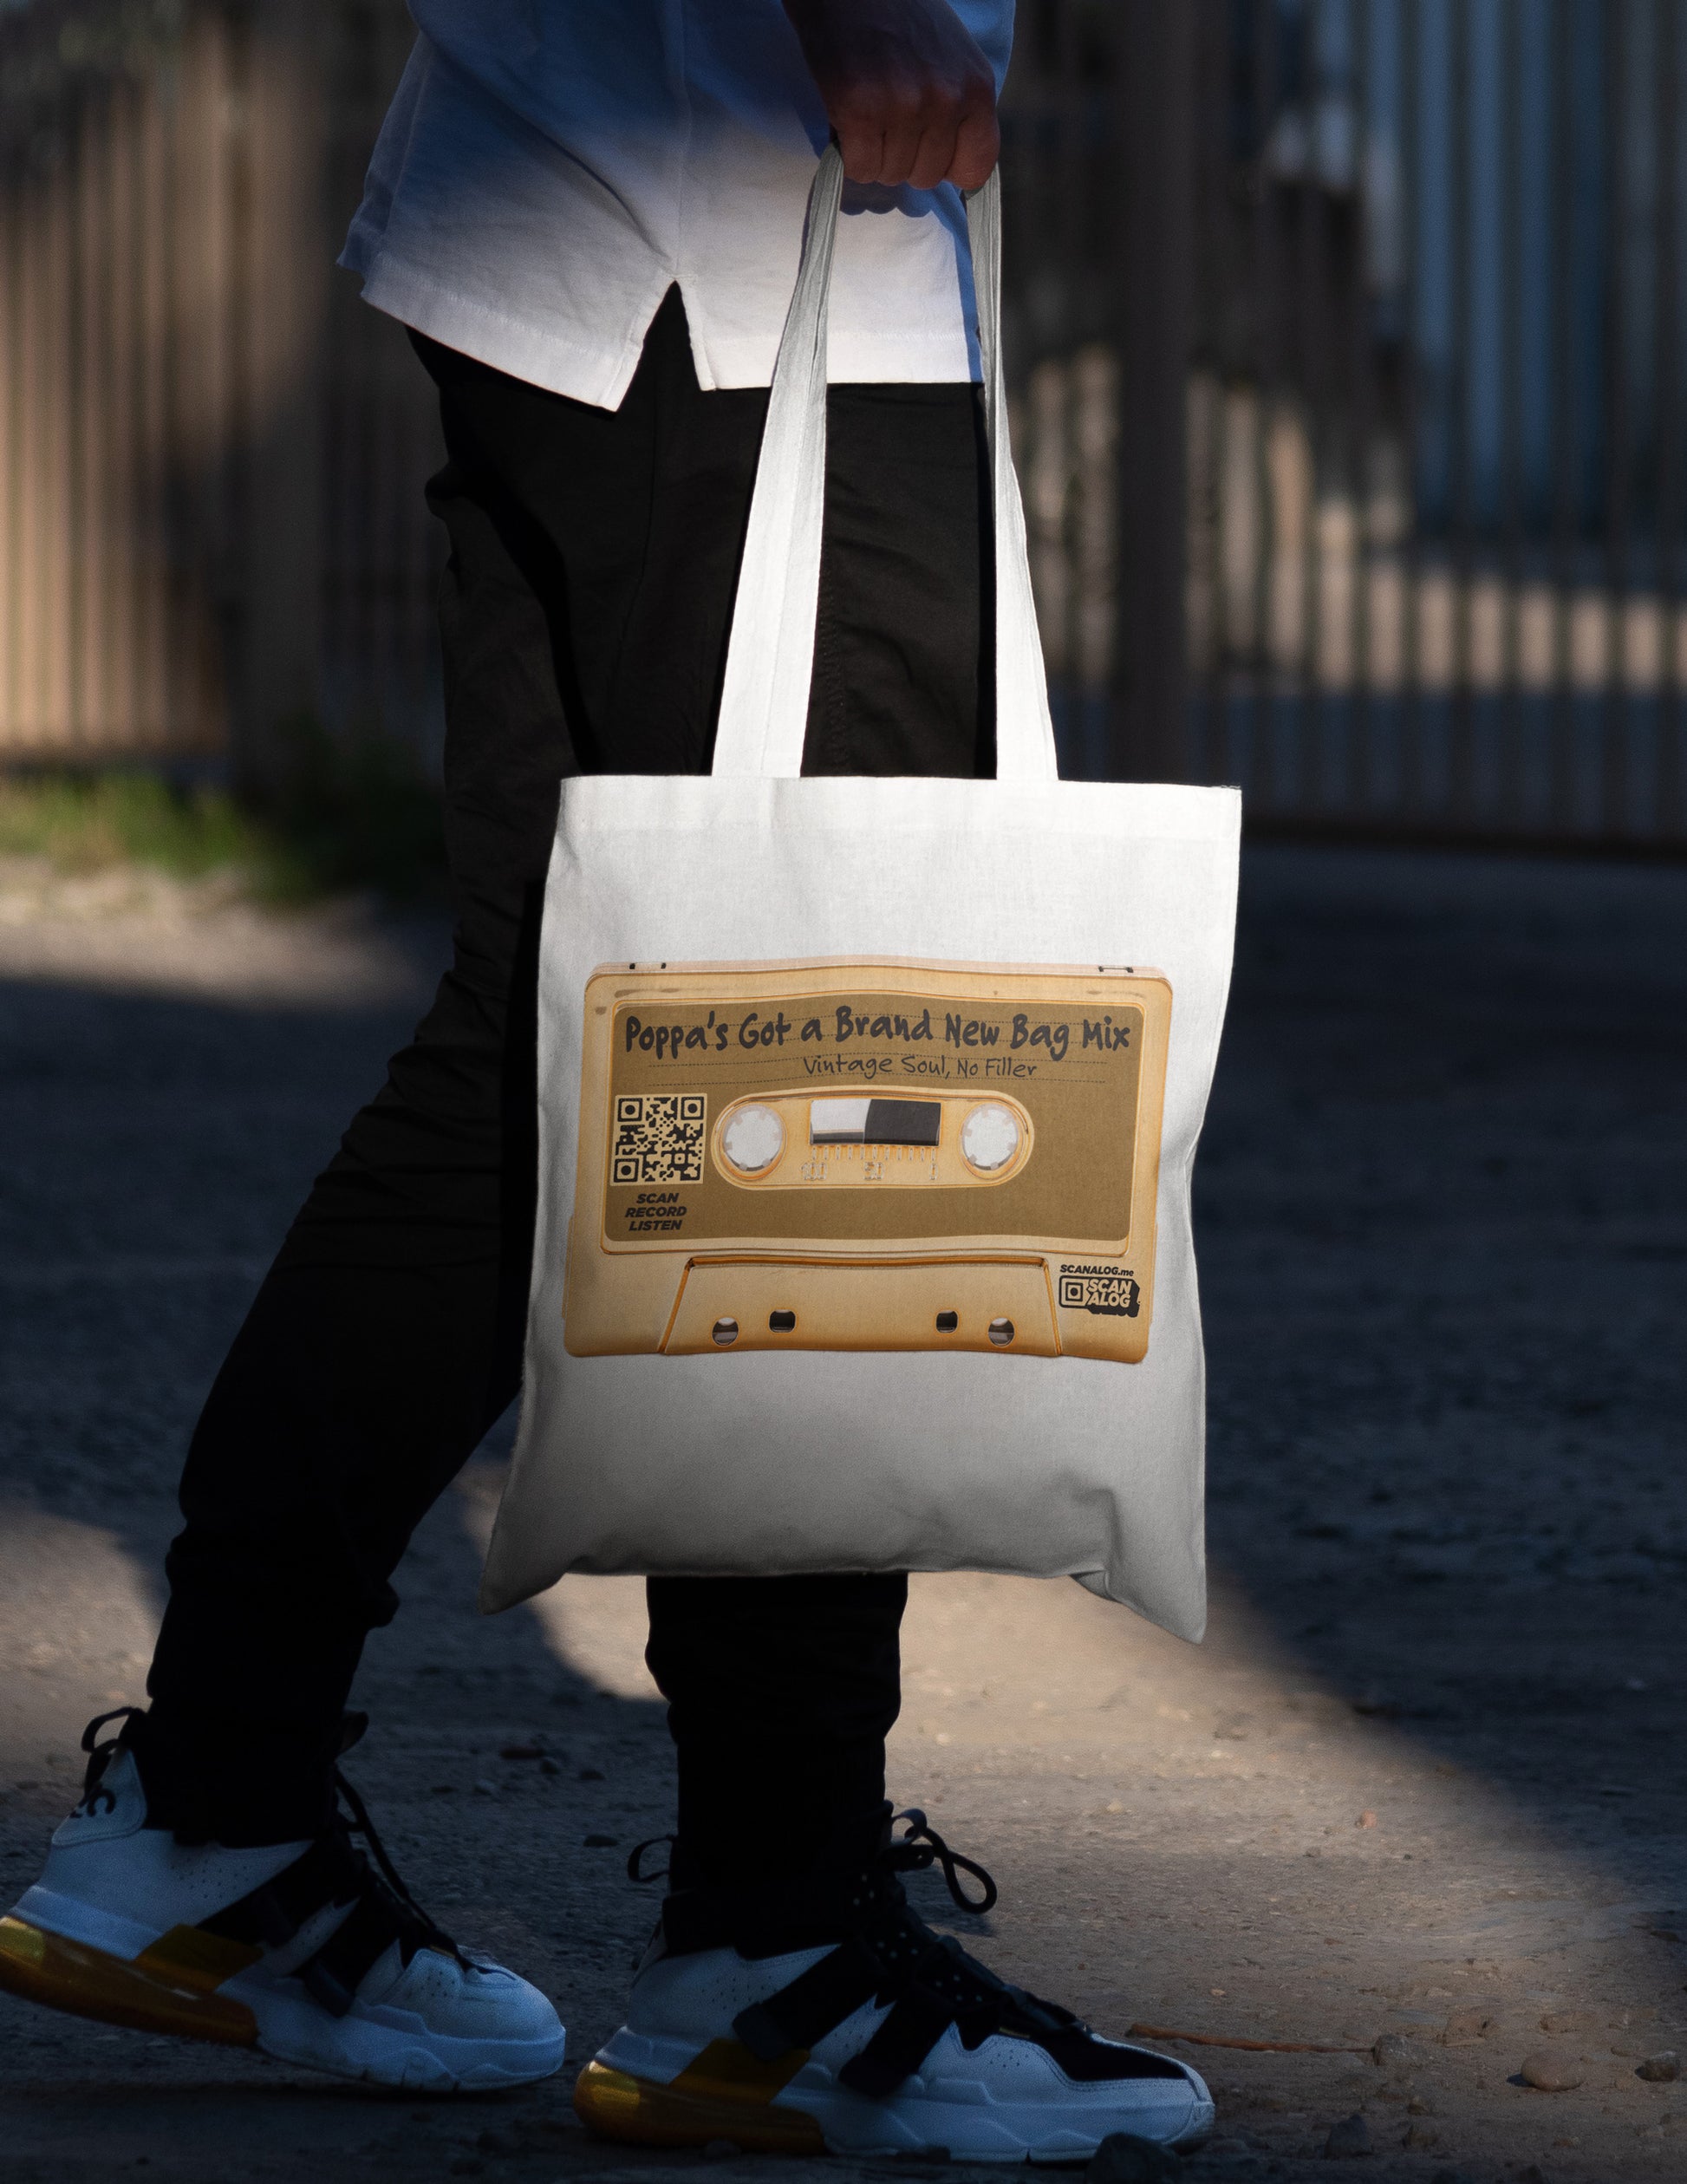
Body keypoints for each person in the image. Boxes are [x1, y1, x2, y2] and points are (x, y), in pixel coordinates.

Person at [0, 0, 1212, 2155]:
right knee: (821, 1073)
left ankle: (215, 1813)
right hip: (747, 219)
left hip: (582, 206)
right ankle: (777, 1939)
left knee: (559, 1050)